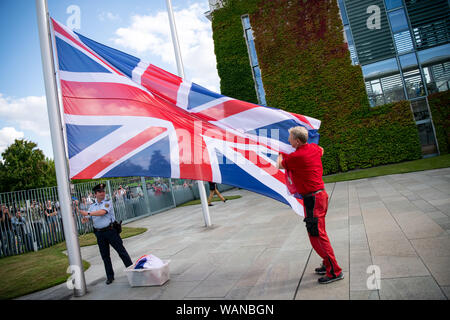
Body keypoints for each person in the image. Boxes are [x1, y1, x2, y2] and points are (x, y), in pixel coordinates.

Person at [277, 126, 343, 284]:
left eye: (290, 138)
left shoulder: (297, 157)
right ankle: (327, 263)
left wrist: (278, 149)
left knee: (317, 236)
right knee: (318, 233)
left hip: (313, 199)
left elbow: (279, 164)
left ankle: (334, 271)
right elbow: (322, 149)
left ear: (297, 141)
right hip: (319, 196)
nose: (288, 140)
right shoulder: (313, 148)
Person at [77, 183, 132, 285]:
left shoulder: (107, 203)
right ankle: (110, 276)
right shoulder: (92, 206)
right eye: (100, 192)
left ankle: (132, 272)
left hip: (110, 231)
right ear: (95, 194)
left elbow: (102, 212)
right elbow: (88, 218)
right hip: (99, 234)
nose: (102, 193)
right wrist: (84, 218)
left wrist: (88, 214)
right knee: (105, 256)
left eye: (103, 191)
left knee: (121, 252)